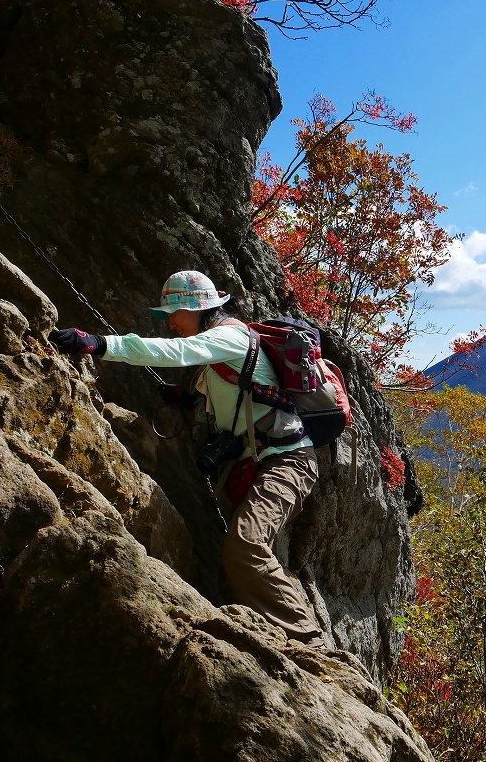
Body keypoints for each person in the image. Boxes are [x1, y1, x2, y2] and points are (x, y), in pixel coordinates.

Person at [48, 270, 326, 649]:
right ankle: (266, 643)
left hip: (288, 460)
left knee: (245, 545)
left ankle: (312, 646)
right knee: (236, 566)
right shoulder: (218, 355)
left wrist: (100, 344)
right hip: (262, 461)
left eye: (175, 313)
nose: (170, 322)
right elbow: (236, 404)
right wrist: (191, 402)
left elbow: (174, 353)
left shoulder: (230, 336)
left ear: (199, 308)